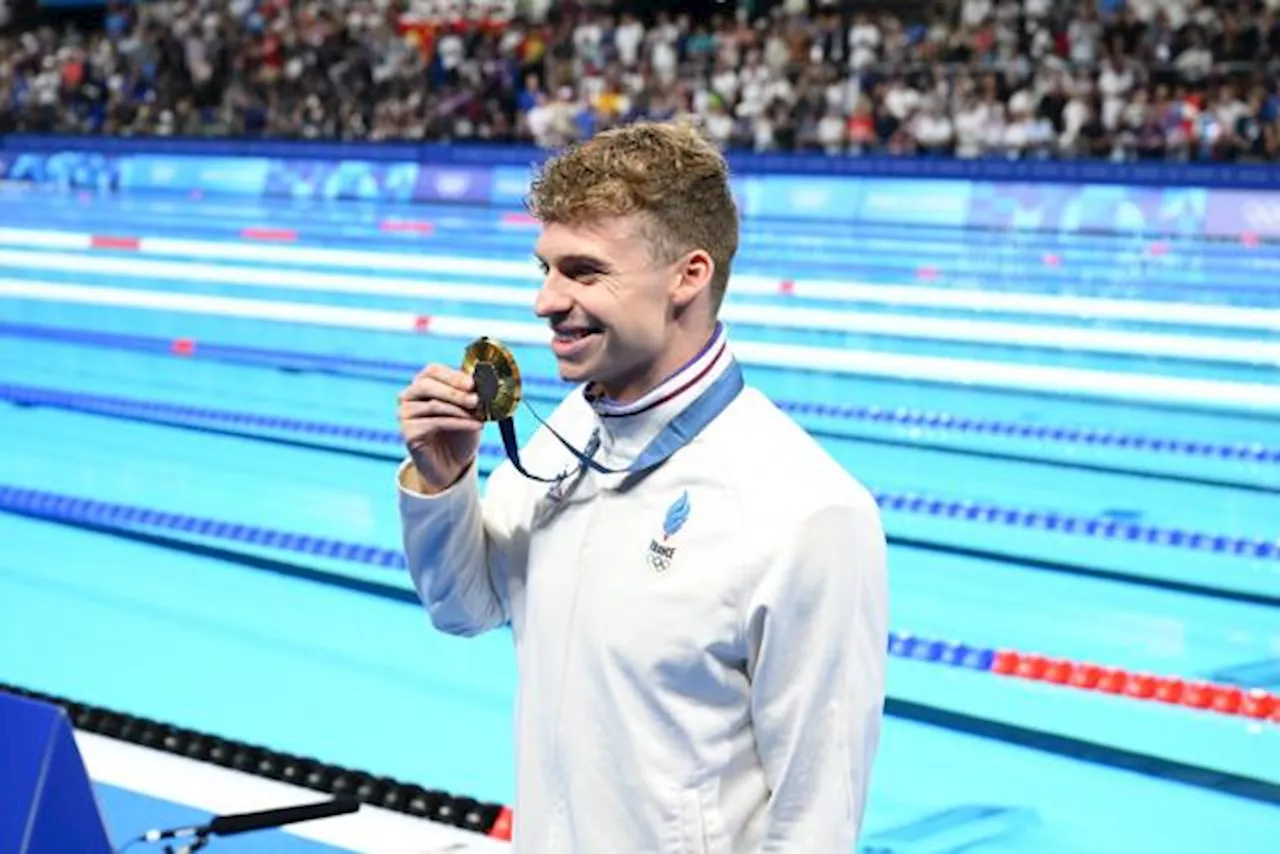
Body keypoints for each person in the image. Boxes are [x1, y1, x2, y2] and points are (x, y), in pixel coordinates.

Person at [395, 119, 888, 853]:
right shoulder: (568, 432)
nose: (546, 302)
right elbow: (464, 607)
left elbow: (816, 818)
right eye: (546, 269)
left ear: (688, 276)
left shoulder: (807, 512)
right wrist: (445, 478)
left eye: (585, 272)